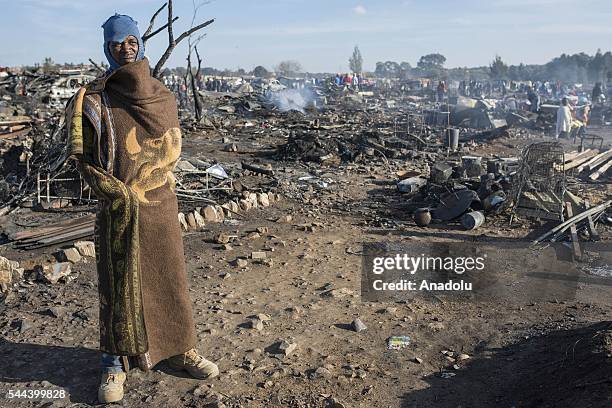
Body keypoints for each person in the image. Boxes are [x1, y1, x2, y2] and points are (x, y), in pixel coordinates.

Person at [65, 14, 219, 404]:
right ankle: (113, 364)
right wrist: (114, 192)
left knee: (169, 276)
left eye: (131, 41)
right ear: (107, 48)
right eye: (117, 43)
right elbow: (82, 157)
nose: (125, 48)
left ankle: (180, 348)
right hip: (117, 208)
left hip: (160, 204)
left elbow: (173, 143)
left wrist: (153, 182)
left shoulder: (161, 94)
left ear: (141, 44)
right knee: (119, 286)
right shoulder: (92, 99)